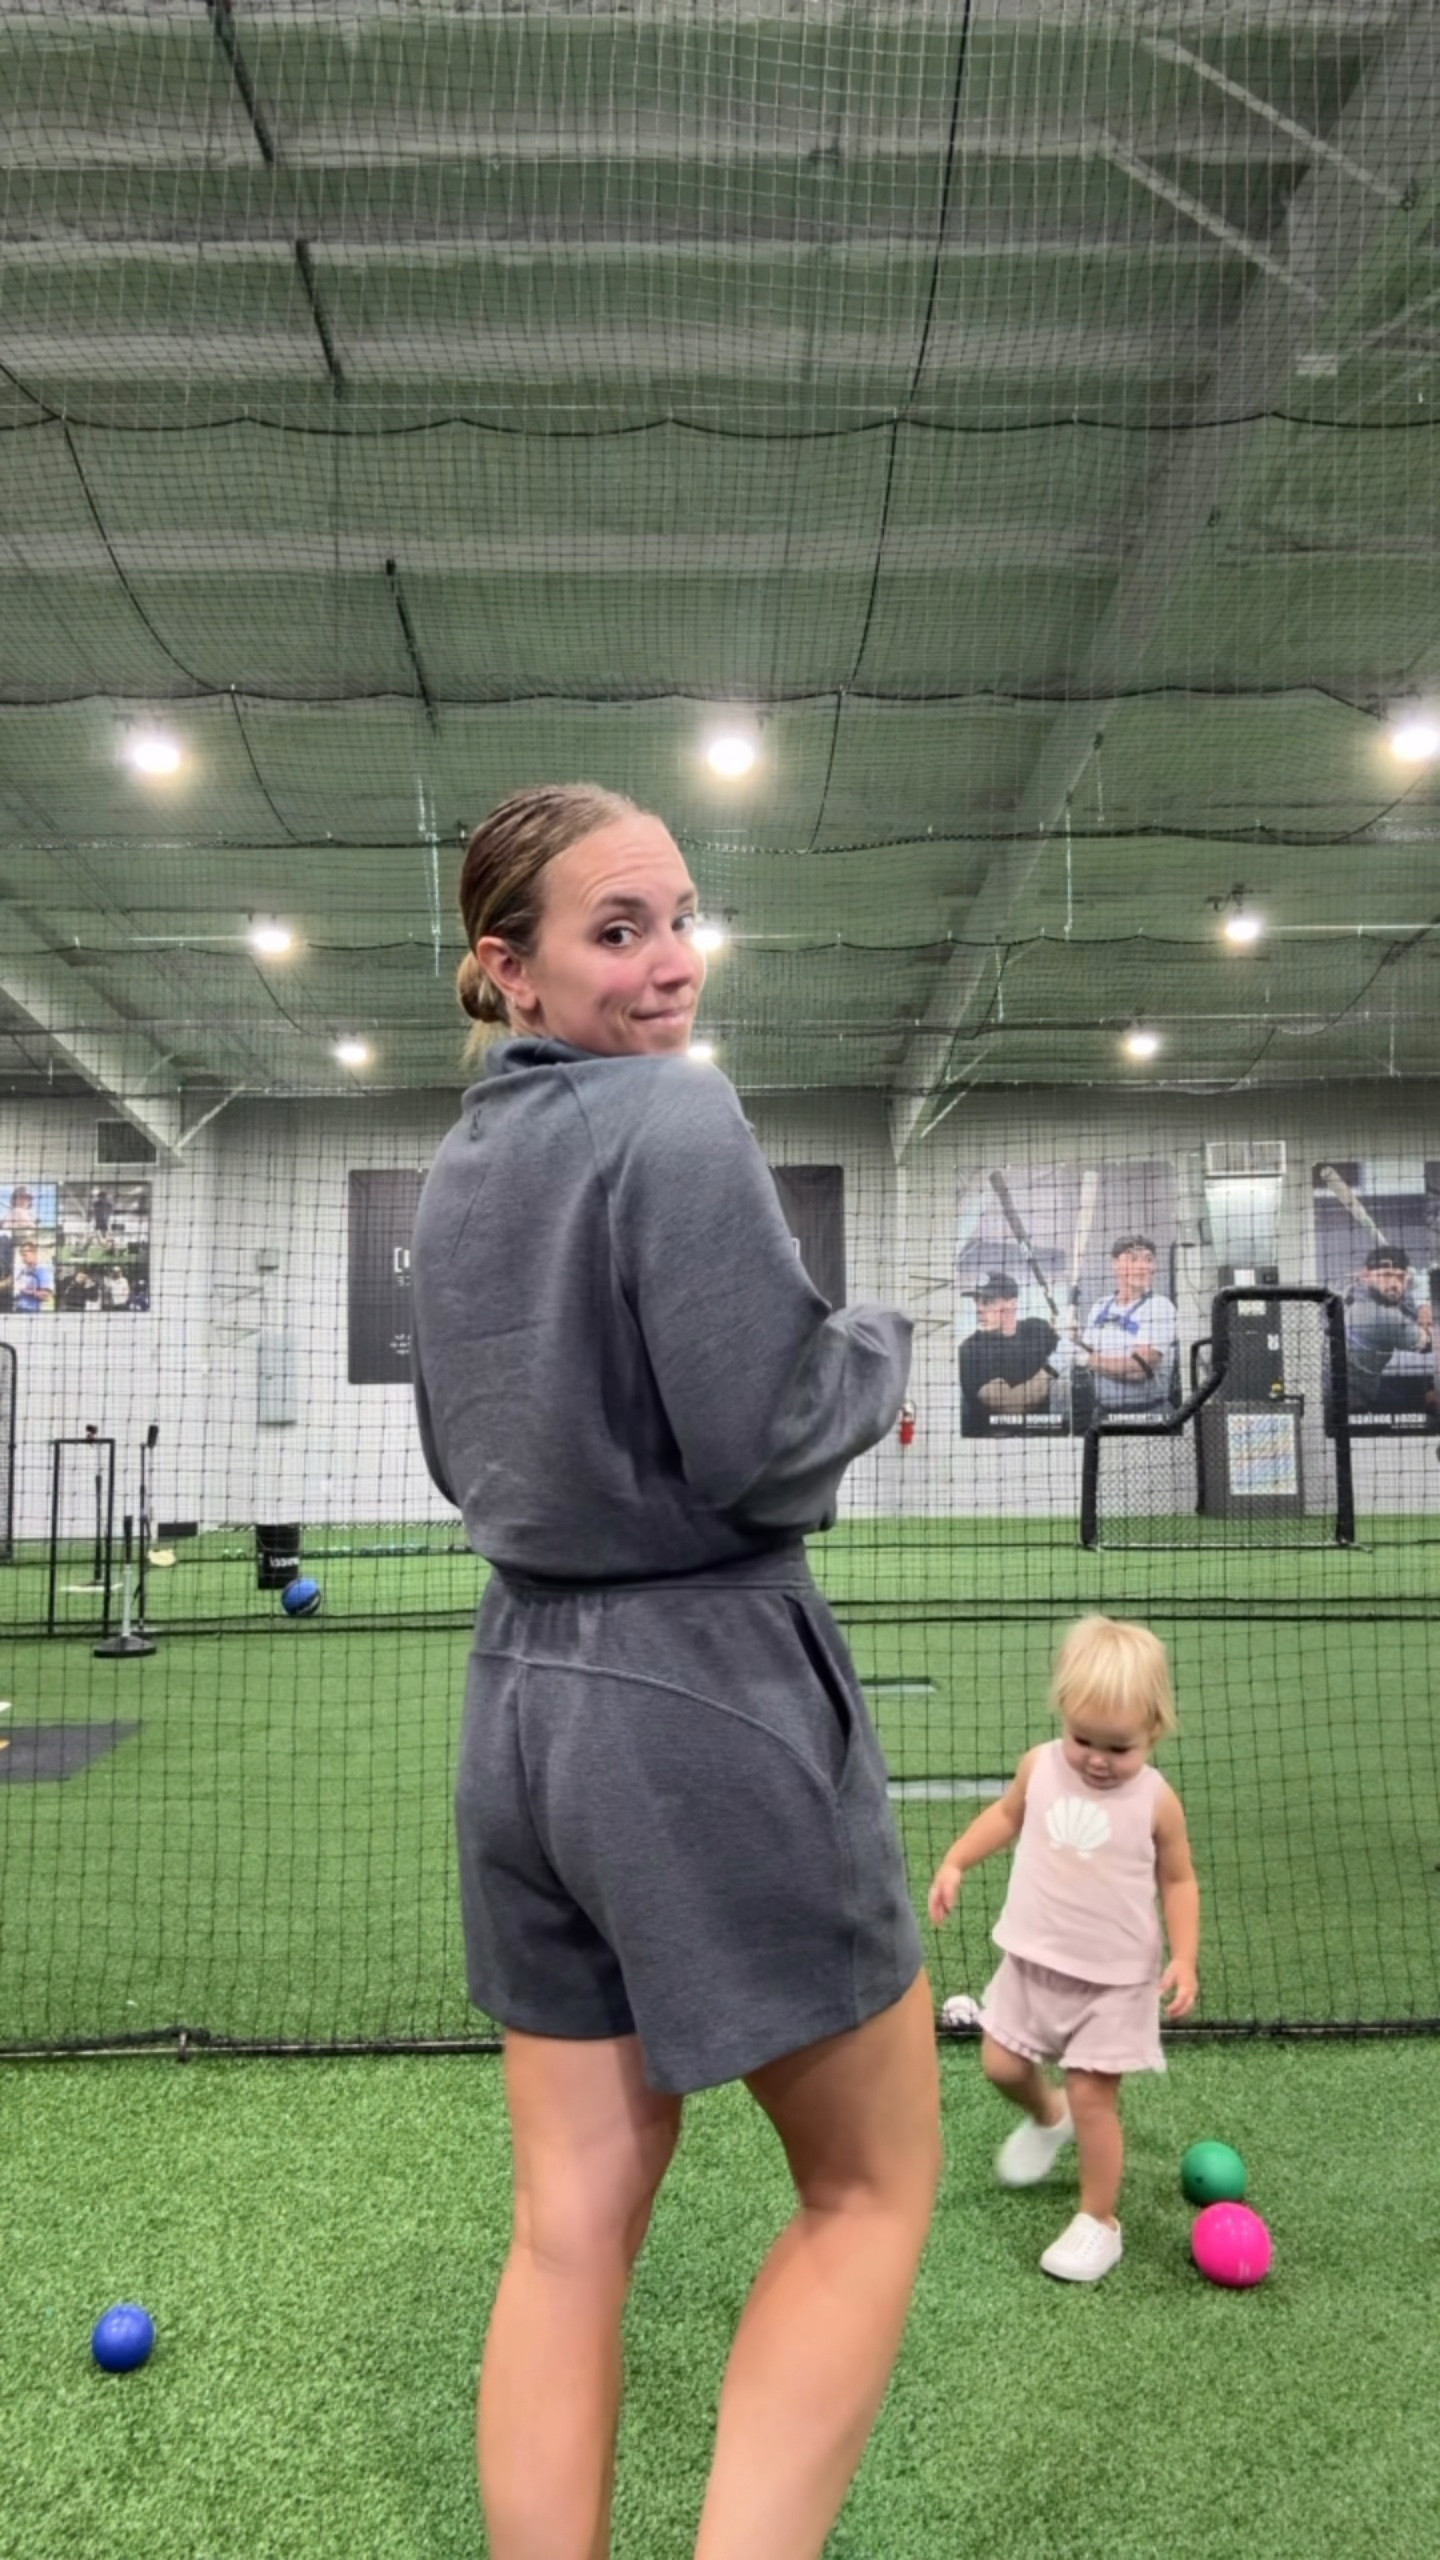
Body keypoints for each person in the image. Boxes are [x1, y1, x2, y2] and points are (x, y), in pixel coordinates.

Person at [409, 783, 940, 2560]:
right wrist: (878, 1344)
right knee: (870, 2191)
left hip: (519, 1713)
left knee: (570, 2226)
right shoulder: (675, 1116)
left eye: (680, 918)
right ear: (514, 968)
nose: (669, 965)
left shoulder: (465, 1163)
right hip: (702, 1697)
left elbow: (455, 1455)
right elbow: (768, 1437)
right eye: (615, 930)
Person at [927, 1613, 1198, 2285]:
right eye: (1083, 1739)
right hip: (1032, 1961)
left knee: (1093, 2098)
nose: (1099, 1760)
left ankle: (1099, 2223)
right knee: (999, 2065)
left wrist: (1185, 1955)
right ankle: (1046, 2118)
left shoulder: (1157, 1800)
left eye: (1120, 1746)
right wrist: (957, 1861)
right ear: (1062, 1715)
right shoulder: (1040, 1767)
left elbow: (1178, 1878)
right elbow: (1006, 1818)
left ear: (1153, 1733)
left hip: (1112, 1982)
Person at [1081, 1234, 1179, 1416]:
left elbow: (1139, 1369)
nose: (1142, 1266)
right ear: (1115, 1264)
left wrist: (1091, 1360)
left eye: (1148, 1259)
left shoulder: (1160, 1306)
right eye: (1132, 1258)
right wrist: (1071, 1337)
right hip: (1103, 1416)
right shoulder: (1099, 1307)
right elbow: (1080, 1354)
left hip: (1149, 1416)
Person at [957, 1270, 1059, 1434]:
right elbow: (1011, 1405)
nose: (979, 1309)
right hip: (991, 1443)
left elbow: (1068, 1340)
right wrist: (1055, 1364)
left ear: (1012, 1303)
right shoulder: (970, 1350)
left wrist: (1067, 1329)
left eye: (988, 1302)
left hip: (1040, 1438)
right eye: (977, 1302)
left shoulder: (1036, 1329)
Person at [1340, 1246, 1433, 1415]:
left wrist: (1422, 1302)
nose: (1394, 1284)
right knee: (1432, 1394)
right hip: (1351, 1399)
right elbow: (1429, 1342)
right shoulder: (1381, 1316)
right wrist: (1423, 1298)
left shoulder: (1353, 1291)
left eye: (1400, 1277)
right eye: (1386, 1275)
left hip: (1357, 1387)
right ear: (1366, 1276)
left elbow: (1407, 1306)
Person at [13, 1238, 54, 1312]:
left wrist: (27, 1291)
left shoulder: (43, 1271)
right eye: (21, 1255)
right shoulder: (21, 1271)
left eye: (24, 1255)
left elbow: (46, 1296)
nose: (22, 1257)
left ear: (34, 1253)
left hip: (32, 1311)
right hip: (17, 1309)